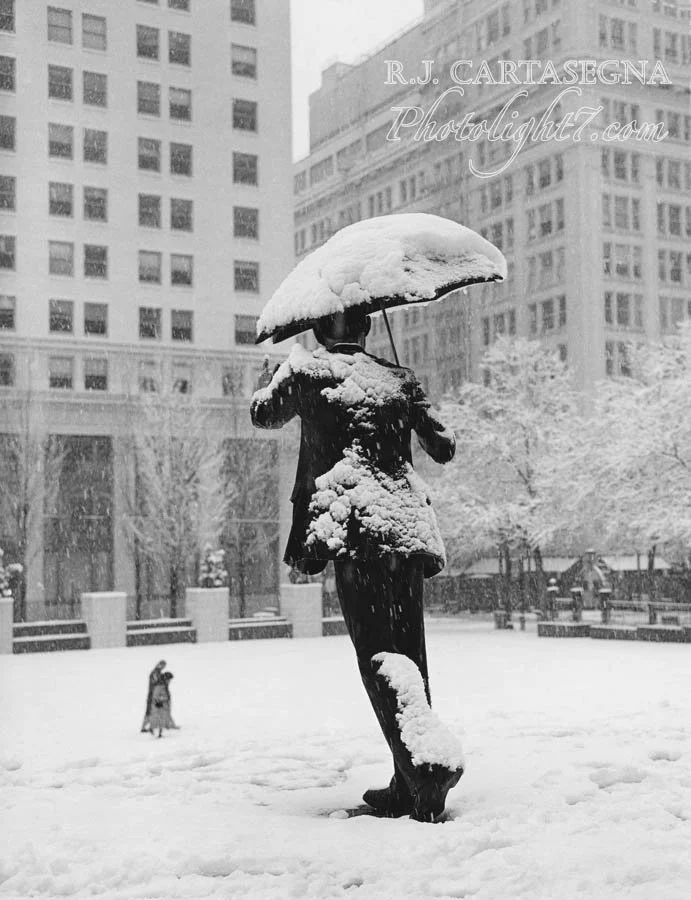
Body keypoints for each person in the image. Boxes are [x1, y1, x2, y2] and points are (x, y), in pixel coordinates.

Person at [250, 307, 463, 822]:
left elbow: (263, 414)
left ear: (318, 329)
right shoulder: (398, 379)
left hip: (354, 528)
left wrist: (270, 377)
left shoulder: (306, 372)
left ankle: (424, 767)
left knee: (375, 651)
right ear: (368, 327)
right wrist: (406, 394)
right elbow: (444, 446)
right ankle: (406, 781)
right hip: (405, 528)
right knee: (410, 649)